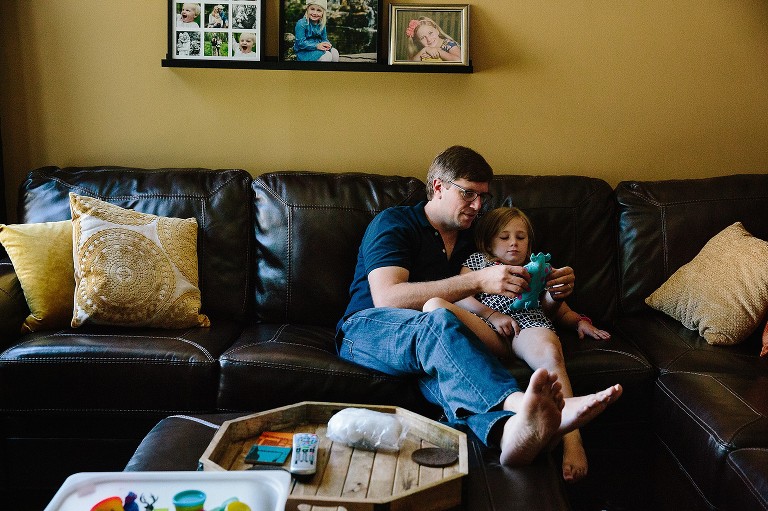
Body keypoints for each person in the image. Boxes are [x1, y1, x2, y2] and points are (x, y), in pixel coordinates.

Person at [337, 145, 622, 467]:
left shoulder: (474, 237)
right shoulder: (395, 223)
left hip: (438, 346)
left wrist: (554, 290)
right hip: (368, 329)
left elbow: (525, 299)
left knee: (452, 373)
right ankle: (518, 404)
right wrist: (478, 281)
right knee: (439, 317)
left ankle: (509, 435)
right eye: (468, 194)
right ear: (439, 186)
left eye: (483, 197)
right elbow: (388, 298)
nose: (477, 206)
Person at [422, 206, 611, 482]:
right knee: (434, 304)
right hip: (488, 328)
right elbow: (461, 295)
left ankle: (573, 441)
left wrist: (577, 320)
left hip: (528, 327)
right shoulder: (477, 262)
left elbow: (557, 311)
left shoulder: (537, 269)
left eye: (521, 238)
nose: (514, 243)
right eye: (505, 237)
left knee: (550, 353)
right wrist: (492, 315)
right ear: (488, 243)